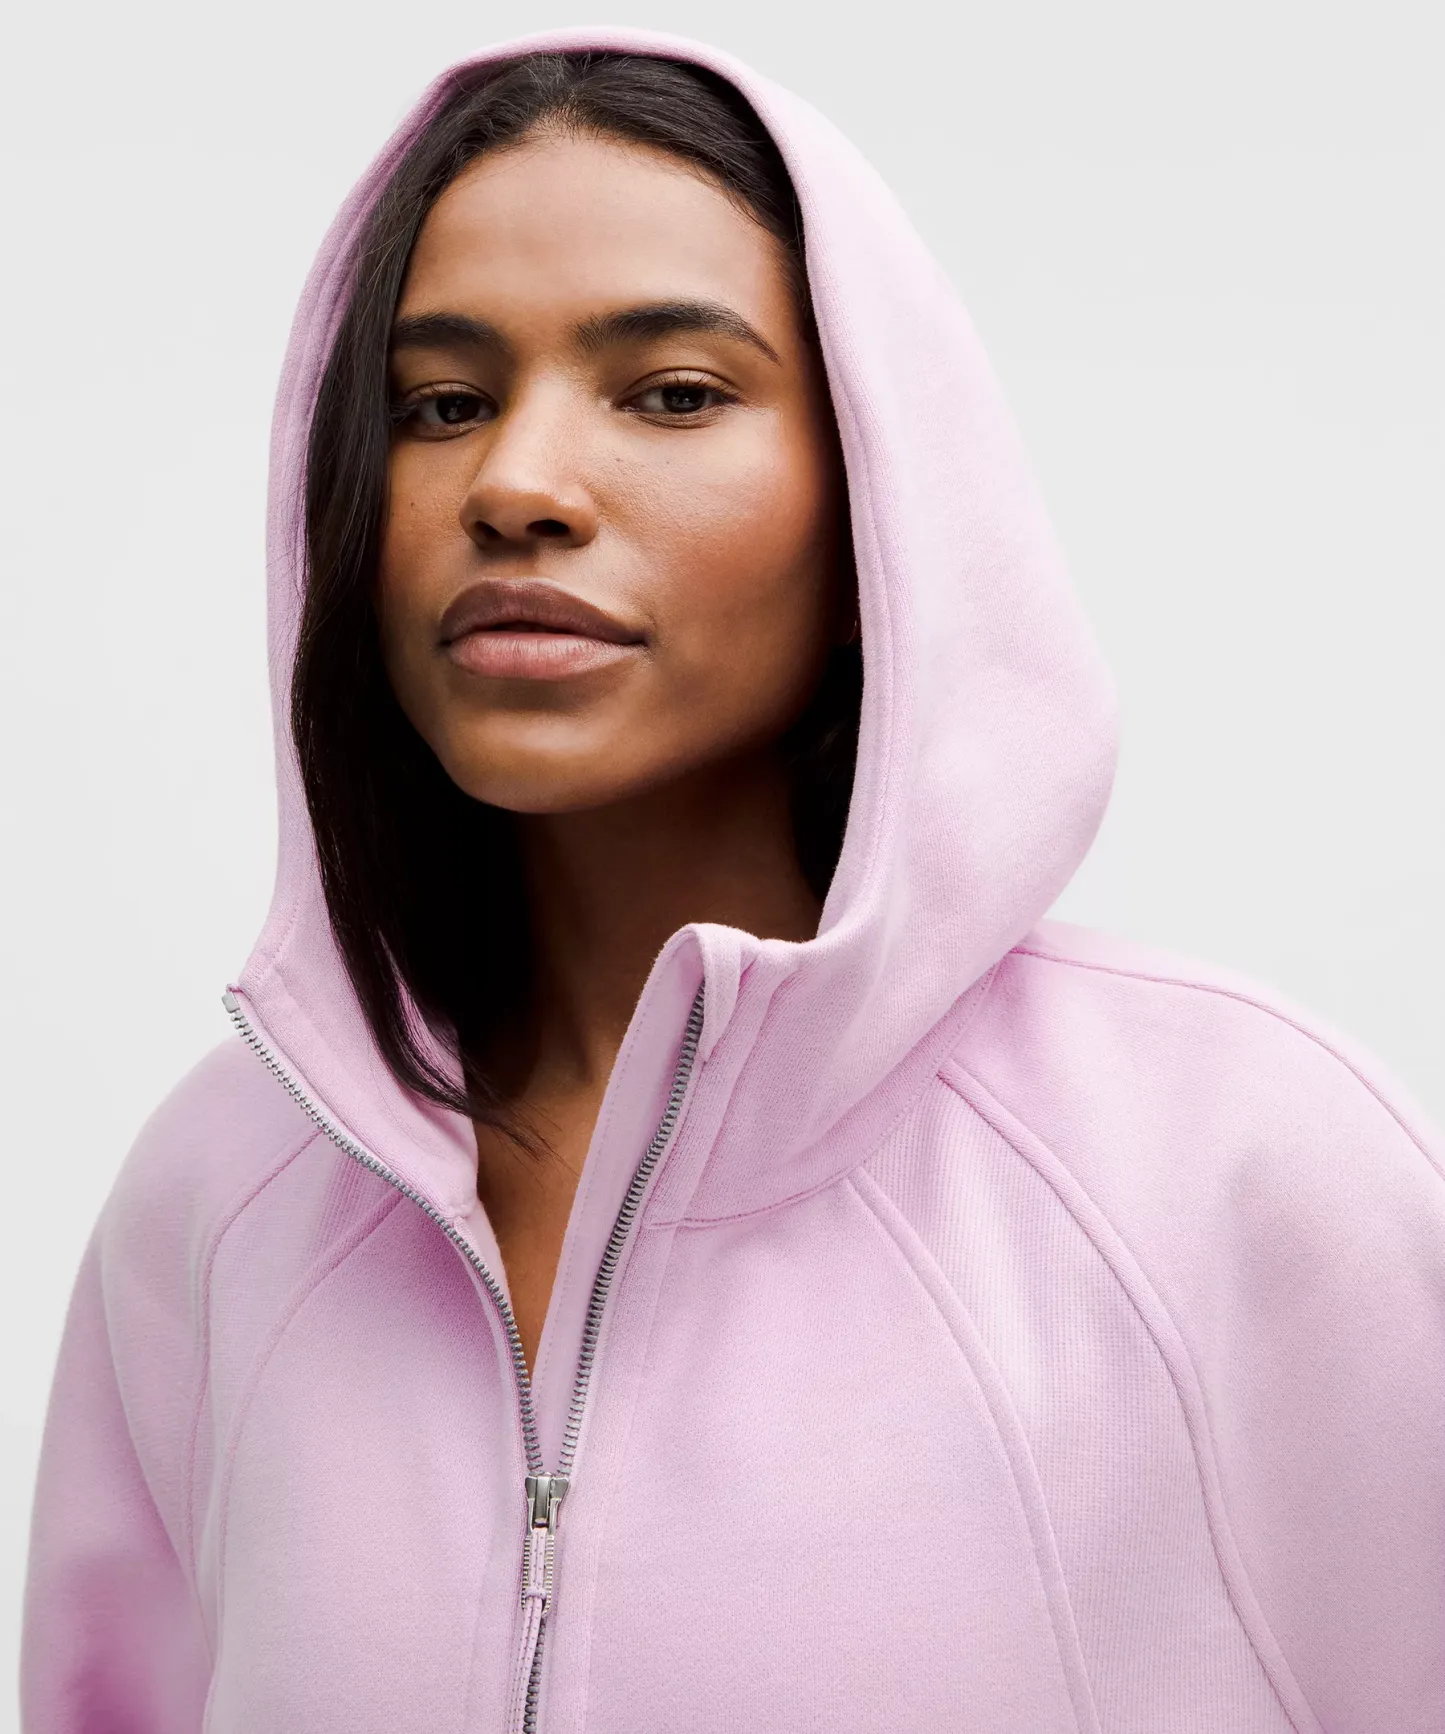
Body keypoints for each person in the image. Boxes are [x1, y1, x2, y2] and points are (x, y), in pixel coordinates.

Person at [21, 28, 1445, 1734]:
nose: (516, 484)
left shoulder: (1240, 1169)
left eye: (674, 393)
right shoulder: (218, 1204)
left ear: (877, 515)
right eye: (440, 404)